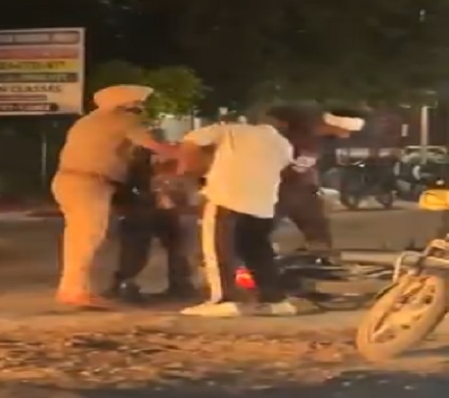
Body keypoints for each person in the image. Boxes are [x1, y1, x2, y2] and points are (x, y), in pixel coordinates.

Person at [52, 84, 177, 308]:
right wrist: (184, 152)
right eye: (137, 103)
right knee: (86, 237)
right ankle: (73, 291)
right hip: (90, 182)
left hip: (71, 180)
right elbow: (154, 146)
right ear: (124, 104)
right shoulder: (122, 120)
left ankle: (75, 288)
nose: (140, 108)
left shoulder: (88, 121)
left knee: (79, 237)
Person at [176, 113, 297, 317]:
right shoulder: (282, 143)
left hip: (225, 198)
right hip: (263, 204)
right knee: (258, 252)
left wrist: (191, 169)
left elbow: (191, 139)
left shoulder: (229, 130)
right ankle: (276, 300)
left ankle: (223, 300)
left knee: (218, 251)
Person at [106, 145, 197, 302]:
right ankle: (178, 284)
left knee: (147, 246)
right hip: (144, 207)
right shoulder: (139, 165)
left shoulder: (135, 163)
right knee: (142, 246)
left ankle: (178, 284)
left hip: (148, 207)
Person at [273, 105, 365, 253]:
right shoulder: (304, 137)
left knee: (316, 228)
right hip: (289, 189)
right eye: (348, 130)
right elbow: (293, 166)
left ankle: (319, 254)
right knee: (313, 227)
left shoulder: (313, 137)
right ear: (337, 124)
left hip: (298, 188)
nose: (348, 135)